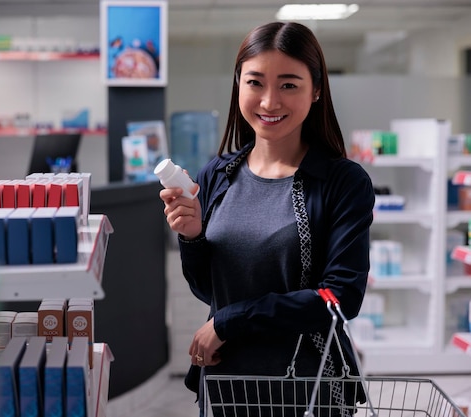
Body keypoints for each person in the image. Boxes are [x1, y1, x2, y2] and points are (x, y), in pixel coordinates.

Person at [159, 21, 374, 417]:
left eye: (289, 84)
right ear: (238, 84)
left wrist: (230, 322)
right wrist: (191, 237)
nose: (270, 101)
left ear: (317, 91)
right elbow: (211, 289)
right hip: (227, 382)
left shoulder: (342, 182)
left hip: (308, 388)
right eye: (255, 82)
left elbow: (339, 297)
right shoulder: (217, 175)